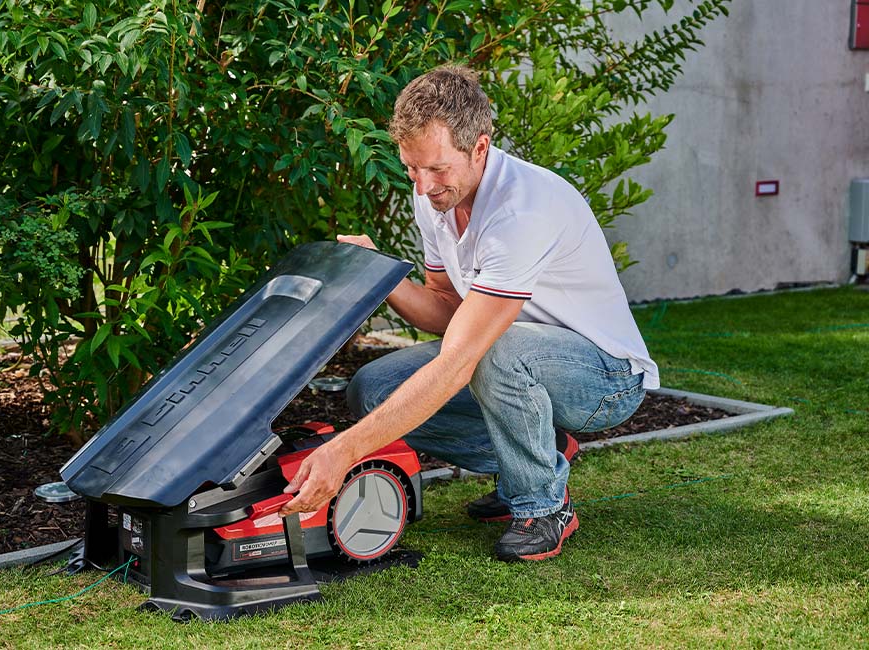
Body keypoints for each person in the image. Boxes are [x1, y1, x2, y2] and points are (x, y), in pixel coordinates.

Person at [279, 65, 659, 562]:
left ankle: (542, 506)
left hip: (605, 378)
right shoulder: (437, 197)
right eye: (412, 168)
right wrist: (382, 277)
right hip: (514, 356)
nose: (423, 185)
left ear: (479, 147)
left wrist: (343, 452)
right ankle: (541, 454)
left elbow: (463, 356)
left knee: (491, 350)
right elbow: (447, 309)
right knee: (372, 389)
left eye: (436, 169)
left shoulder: (522, 211)